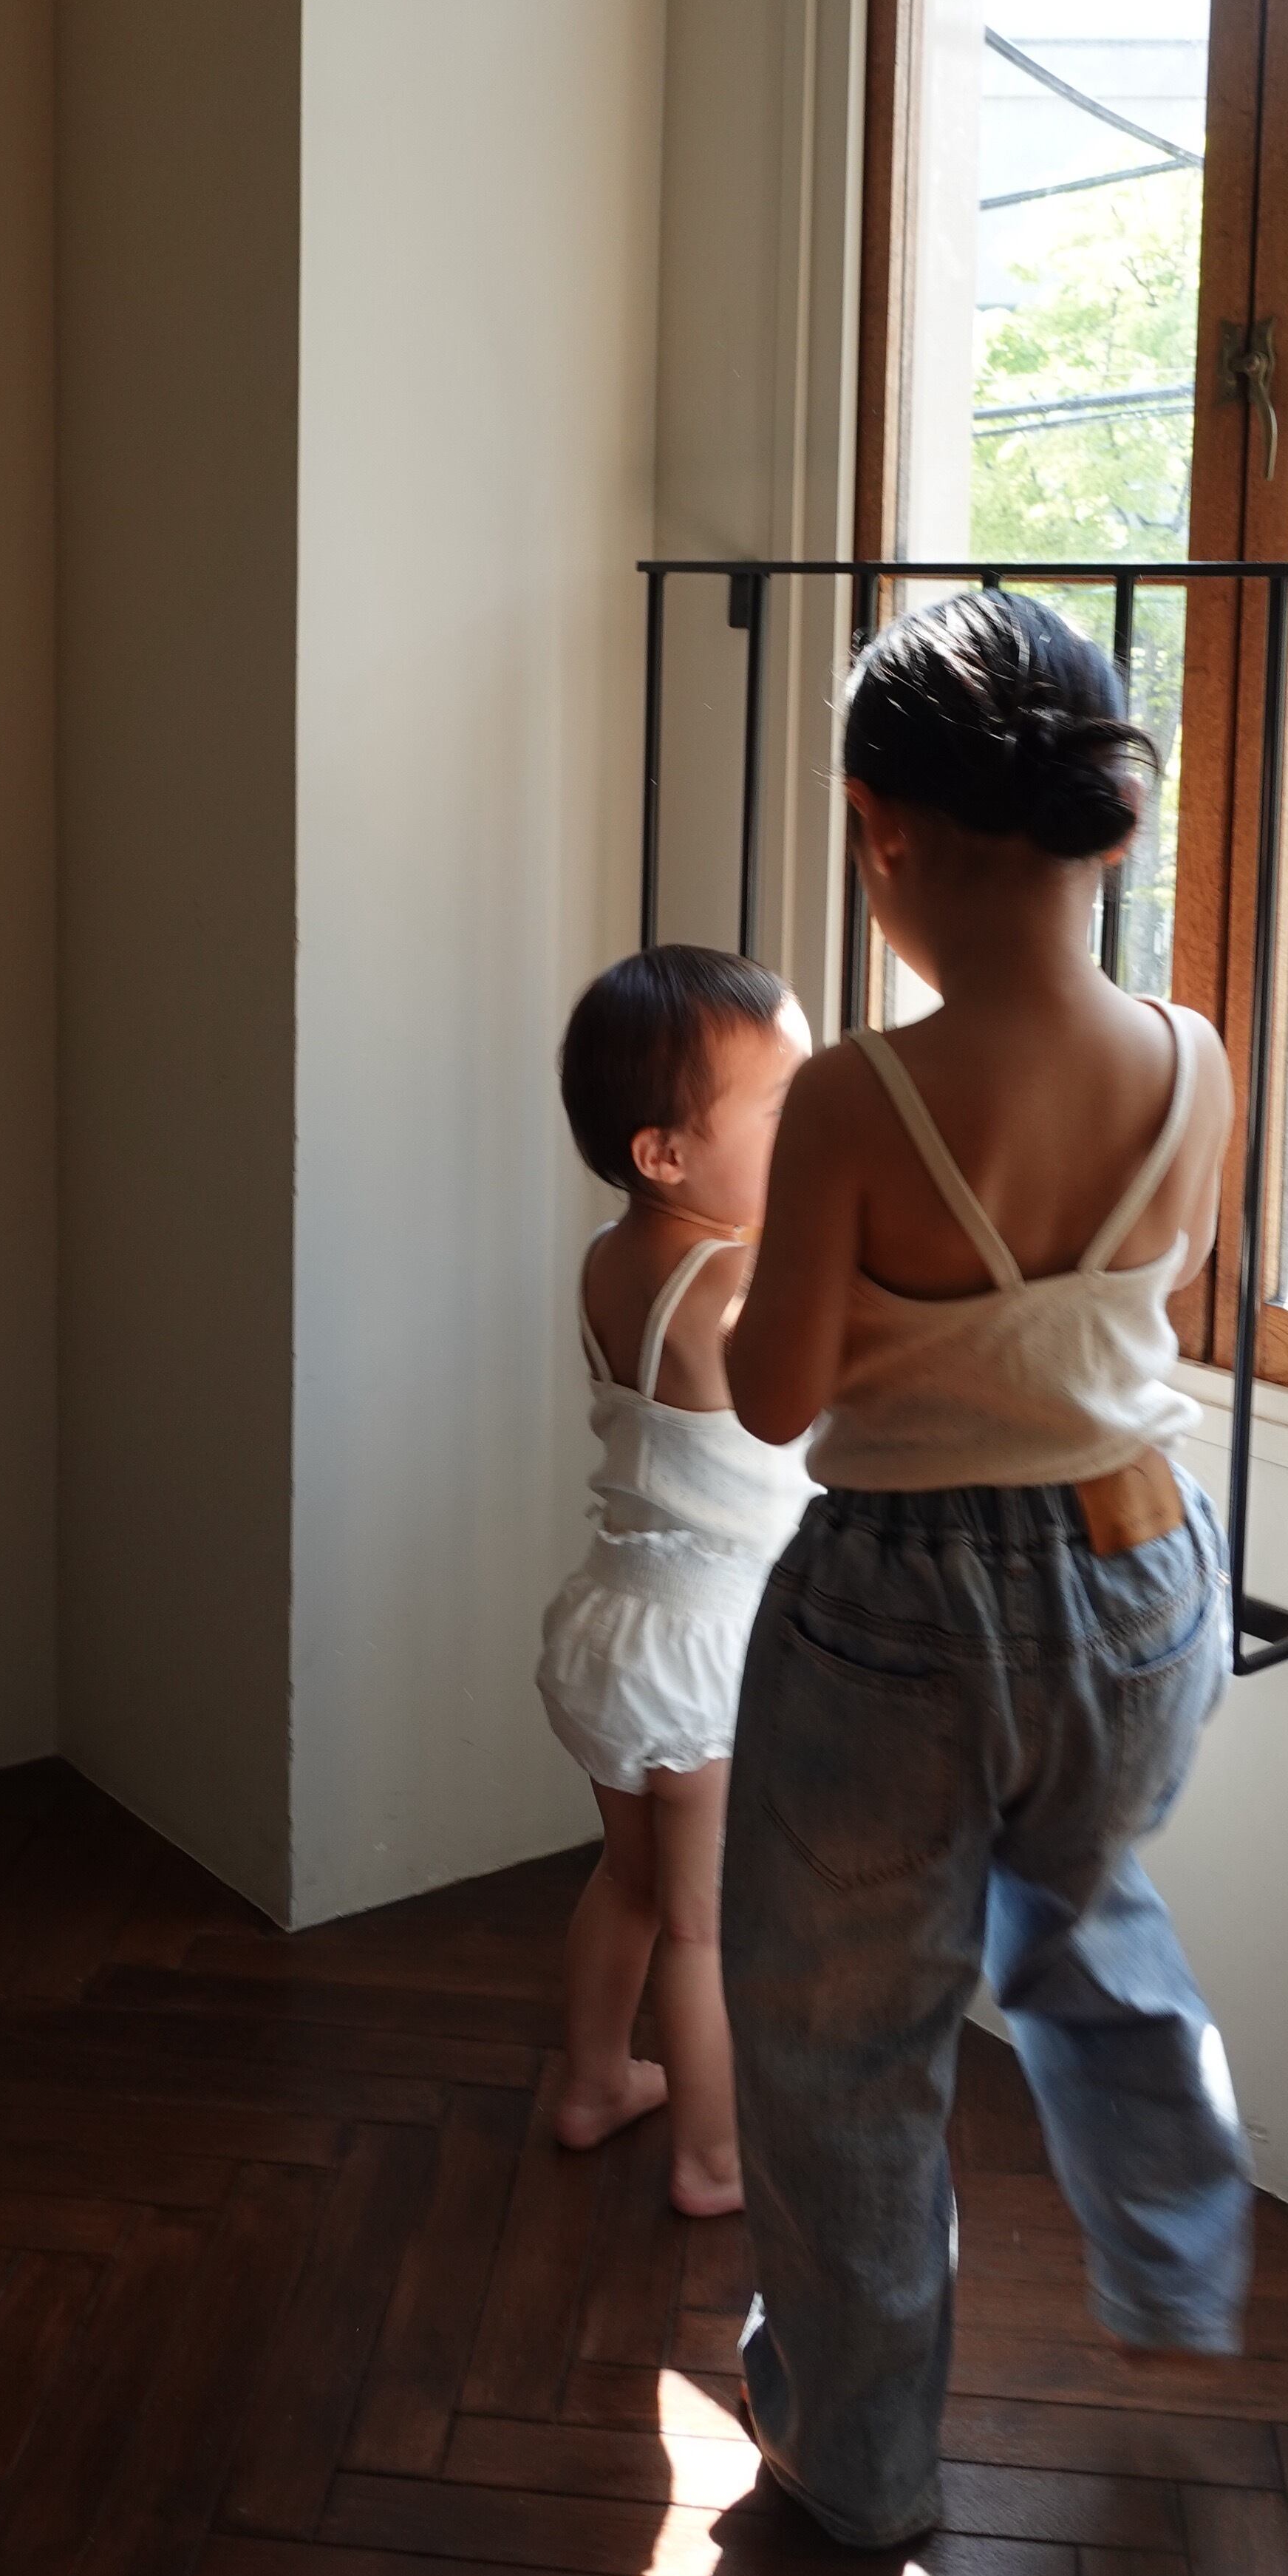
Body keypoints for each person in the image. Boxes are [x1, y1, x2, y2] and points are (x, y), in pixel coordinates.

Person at [720, 588, 1250, 2549]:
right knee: (1083, 1904)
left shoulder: (858, 1095)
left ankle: (859, 2464)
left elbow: (777, 1395)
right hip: (1143, 1569)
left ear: (881, 830)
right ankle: (1178, 2258)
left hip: (903, 1614)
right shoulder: (1194, 1056)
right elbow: (1129, 1306)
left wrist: (759, 1286)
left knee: (843, 2041)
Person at [538, 947, 816, 2219]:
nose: (812, 1134)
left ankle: (595, 2083)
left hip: (607, 1623)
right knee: (705, 1926)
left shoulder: (613, 1259)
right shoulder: (735, 1284)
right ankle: (713, 2160)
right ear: (665, 1153)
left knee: (632, 1882)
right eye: (784, 1109)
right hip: (705, 1646)